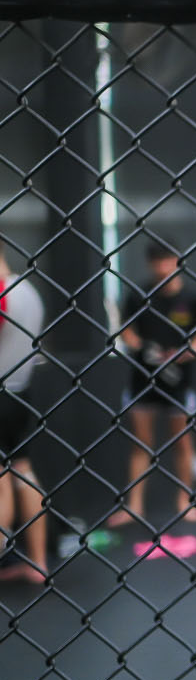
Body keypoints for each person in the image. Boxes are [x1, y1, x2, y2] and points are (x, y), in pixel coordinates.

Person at [109, 241, 196, 528]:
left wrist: (185, 353)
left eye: (167, 260)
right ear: (150, 264)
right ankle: (135, 506)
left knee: (183, 442)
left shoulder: (193, 297)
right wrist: (144, 349)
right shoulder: (138, 295)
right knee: (141, 444)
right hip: (143, 379)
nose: (163, 267)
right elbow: (127, 331)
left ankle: (185, 501)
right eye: (157, 261)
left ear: (178, 261)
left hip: (179, 382)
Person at [0, 247, 48, 583]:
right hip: (23, 392)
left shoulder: (4, 294)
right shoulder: (29, 290)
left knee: (2, 478)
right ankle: (38, 562)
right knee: (23, 471)